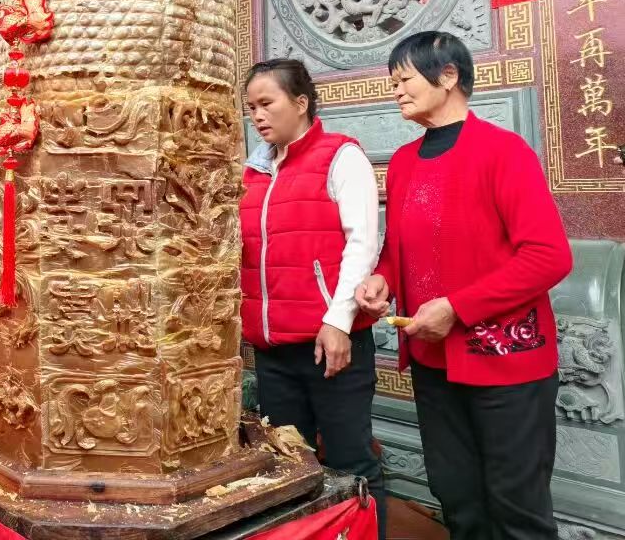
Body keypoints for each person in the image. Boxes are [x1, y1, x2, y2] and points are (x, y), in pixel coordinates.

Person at [356, 31, 572, 540]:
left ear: (448, 76)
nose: (396, 90)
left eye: (404, 79)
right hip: (434, 363)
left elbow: (549, 256)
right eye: (393, 81)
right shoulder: (403, 163)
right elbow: (399, 247)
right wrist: (382, 277)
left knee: (517, 508)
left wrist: (457, 306)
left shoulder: (503, 151)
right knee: (457, 497)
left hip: (505, 363)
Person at [240, 59, 385, 537]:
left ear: (301, 102)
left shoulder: (340, 156)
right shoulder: (254, 173)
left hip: (330, 343)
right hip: (273, 348)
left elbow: (362, 243)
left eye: (267, 103)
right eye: (251, 108)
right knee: (290, 465)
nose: (257, 116)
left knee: (350, 461)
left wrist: (339, 320)